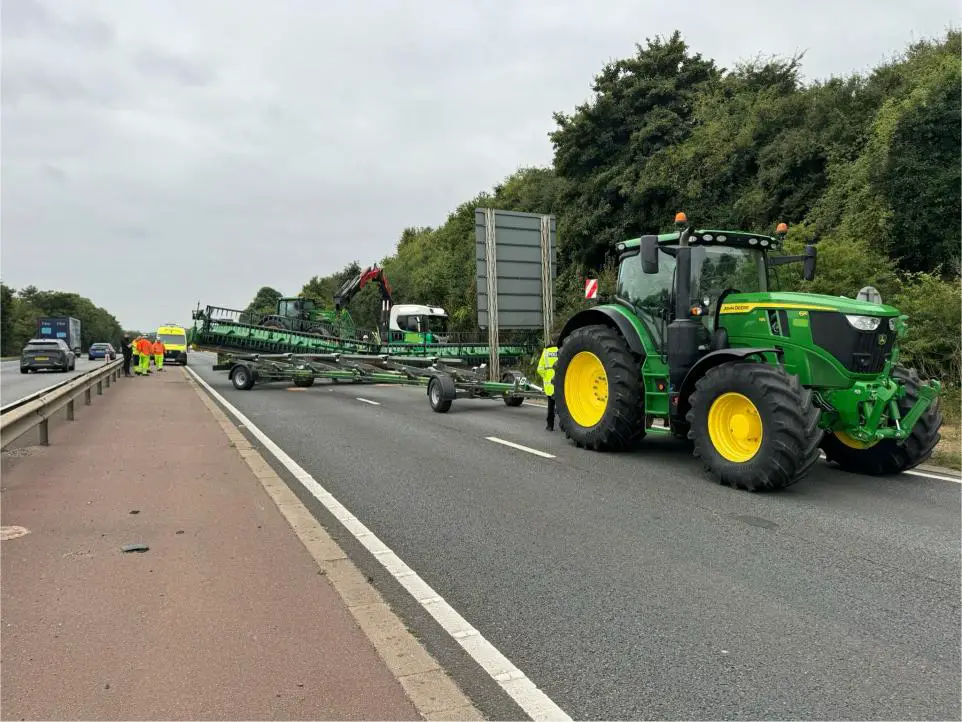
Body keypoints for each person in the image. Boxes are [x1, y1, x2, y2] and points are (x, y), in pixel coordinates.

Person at [537, 344, 559, 431]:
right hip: (560, 382)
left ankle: (550, 426)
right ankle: (564, 426)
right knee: (562, 406)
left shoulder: (546, 352)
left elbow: (540, 369)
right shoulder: (560, 349)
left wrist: (545, 376)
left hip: (549, 384)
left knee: (551, 406)